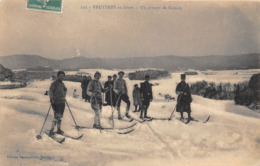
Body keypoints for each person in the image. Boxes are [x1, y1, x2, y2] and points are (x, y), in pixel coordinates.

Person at [48, 71, 67, 136]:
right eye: (60, 76)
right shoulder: (54, 83)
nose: (62, 77)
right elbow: (50, 91)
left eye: (63, 76)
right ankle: (51, 131)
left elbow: (65, 89)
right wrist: (52, 99)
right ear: (58, 76)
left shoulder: (62, 84)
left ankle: (58, 129)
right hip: (56, 102)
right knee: (56, 116)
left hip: (62, 102)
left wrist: (64, 96)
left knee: (60, 116)